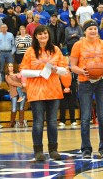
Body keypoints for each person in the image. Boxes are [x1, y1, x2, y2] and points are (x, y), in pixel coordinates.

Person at [20, 25, 68, 161]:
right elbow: (23, 71)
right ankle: (38, 151)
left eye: (45, 34)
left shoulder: (56, 50)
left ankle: (53, 150)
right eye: (40, 34)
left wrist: (56, 69)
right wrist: (39, 73)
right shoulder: (30, 51)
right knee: (38, 122)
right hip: (36, 91)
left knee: (52, 122)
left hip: (53, 90)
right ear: (35, 36)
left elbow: (65, 69)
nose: (43, 36)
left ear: (49, 35)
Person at [70, 19, 103, 159]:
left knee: (102, 116)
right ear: (85, 31)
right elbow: (73, 66)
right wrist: (82, 71)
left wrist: (102, 70)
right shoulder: (78, 45)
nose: (93, 31)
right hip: (84, 82)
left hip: (102, 82)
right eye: (90, 29)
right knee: (85, 116)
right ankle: (86, 149)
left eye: (95, 28)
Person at [5, 63, 28, 128]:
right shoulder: (7, 75)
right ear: (7, 67)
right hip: (13, 92)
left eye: (12, 66)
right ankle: (12, 122)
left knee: (21, 107)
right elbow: (11, 83)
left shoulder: (18, 74)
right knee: (14, 108)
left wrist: (23, 84)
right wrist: (20, 84)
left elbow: (23, 79)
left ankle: (21, 122)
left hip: (22, 91)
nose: (11, 67)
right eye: (9, 66)